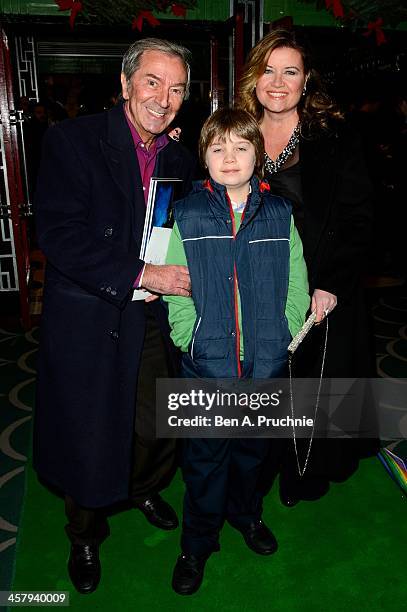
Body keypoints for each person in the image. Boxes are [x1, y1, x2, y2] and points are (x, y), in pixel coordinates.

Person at [33, 38, 195, 594]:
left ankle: (142, 487)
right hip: (92, 313)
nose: (163, 97)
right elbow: (59, 235)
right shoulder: (72, 141)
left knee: (155, 417)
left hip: (151, 317)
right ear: (125, 84)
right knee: (89, 429)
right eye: (152, 82)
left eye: (176, 88)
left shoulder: (177, 154)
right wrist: (141, 273)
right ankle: (83, 532)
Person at [163, 107, 310, 595]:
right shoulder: (185, 212)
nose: (230, 158)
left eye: (241, 147)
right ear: (204, 155)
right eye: (218, 148)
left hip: (265, 360)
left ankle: (246, 515)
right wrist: (190, 336)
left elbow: (297, 283)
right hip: (206, 362)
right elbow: (177, 287)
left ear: (257, 155)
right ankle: (198, 542)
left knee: (252, 453)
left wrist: (284, 333)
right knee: (205, 458)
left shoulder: (280, 212)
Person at [238, 29, 374, 506]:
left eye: (290, 71)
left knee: (314, 382)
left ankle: (305, 471)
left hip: (321, 286)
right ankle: (262, 467)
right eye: (268, 70)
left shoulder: (334, 137)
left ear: (306, 79)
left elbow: (361, 218)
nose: (278, 82)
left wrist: (331, 283)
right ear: (254, 77)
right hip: (255, 282)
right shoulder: (236, 131)